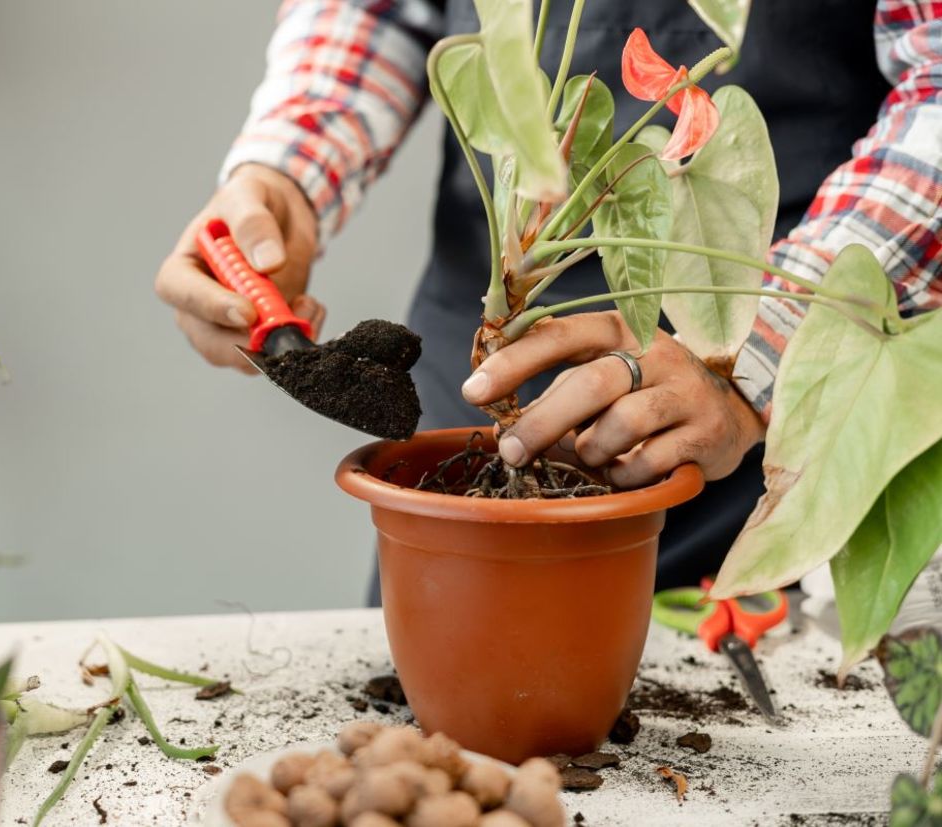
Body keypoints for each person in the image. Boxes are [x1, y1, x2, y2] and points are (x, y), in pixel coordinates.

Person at [155, 0, 942, 593]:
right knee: (428, 749)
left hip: (767, 402)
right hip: (470, 372)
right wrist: (285, 174)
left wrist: (760, 351)